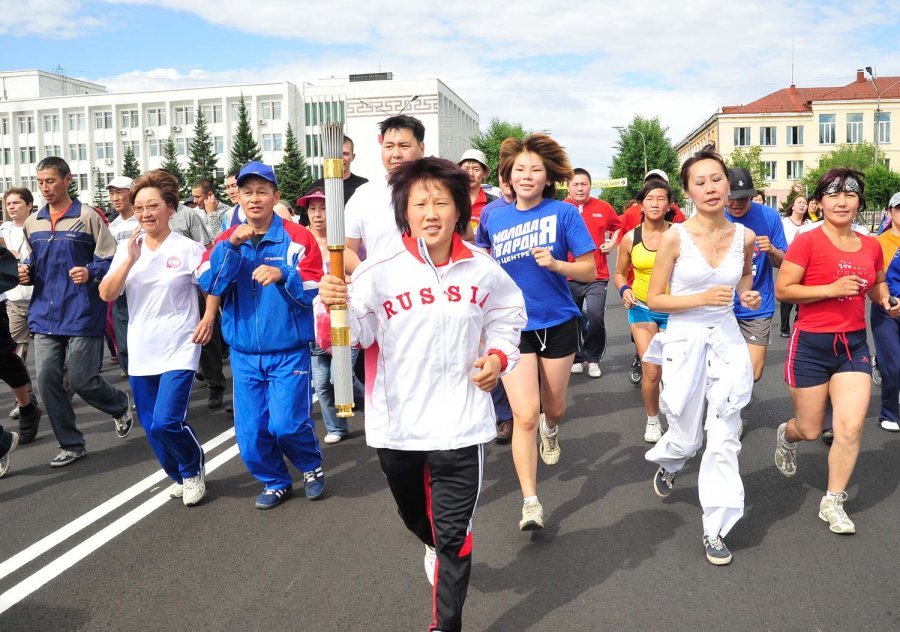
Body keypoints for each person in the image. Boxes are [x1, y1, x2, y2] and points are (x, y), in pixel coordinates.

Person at [317, 157, 526, 632]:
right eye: (419, 204)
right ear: (404, 213)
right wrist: (334, 308)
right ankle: (429, 540)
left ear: (459, 210)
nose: (431, 213)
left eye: (441, 202)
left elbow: (508, 316)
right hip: (400, 426)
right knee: (417, 518)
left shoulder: (483, 269)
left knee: (454, 535)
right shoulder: (379, 272)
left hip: (461, 424)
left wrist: (496, 358)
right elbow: (354, 337)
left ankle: (445, 624)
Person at [644, 145, 760, 566]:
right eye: (700, 182)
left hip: (726, 339)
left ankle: (716, 527)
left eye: (716, 179)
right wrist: (700, 298)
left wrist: (746, 295)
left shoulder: (745, 238)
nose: (710, 188)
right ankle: (673, 461)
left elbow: (743, 280)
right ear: (688, 191)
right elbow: (655, 298)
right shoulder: (674, 237)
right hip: (685, 339)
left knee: (725, 432)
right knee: (687, 431)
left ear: (727, 184)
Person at [774, 168, 899, 535]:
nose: (842, 202)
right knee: (810, 428)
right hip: (811, 345)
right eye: (833, 195)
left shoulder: (870, 245)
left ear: (859, 202)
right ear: (820, 202)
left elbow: (876, 283)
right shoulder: (808, 242)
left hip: (853, 345)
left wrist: (885, 298)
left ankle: (833, 501)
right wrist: (830, 289)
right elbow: (784, 289)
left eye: (850, 195)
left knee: (850, 426)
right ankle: (787, 436)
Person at [481, 134, 596, 531]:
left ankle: (552, 428)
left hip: (558, 321)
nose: (527, 176)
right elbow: (480, 263)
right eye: (519, 170)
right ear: (508, 176)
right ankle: (530, 501)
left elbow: (589, 269)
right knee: (525, 415)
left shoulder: (564, 214)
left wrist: (557, 265)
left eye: (535, 170)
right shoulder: (492, 218)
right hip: (512, 328)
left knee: (554, 408)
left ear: (548, 178)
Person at [197, 161, 326, 509]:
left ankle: (310, 466)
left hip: (288, 349)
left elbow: (315, 285)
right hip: (244, 353)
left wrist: (284, 275)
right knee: (251, 432)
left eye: (262, 192)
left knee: (287, 425)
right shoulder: (226, 239)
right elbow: (209, 281)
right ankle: (275, 480)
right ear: (238, 197)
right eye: (247, 192)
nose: (254, 199)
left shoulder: (297, 237)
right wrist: (231, 247)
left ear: (275, 196)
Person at [99, 170, 210, 506]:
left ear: (170, 208)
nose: (145, 213)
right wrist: (130, 260)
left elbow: (210, 287)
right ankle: (178, 474)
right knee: (150, 426)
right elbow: (107, 293)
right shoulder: (126, 248)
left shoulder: (189, 248)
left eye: (153, 206)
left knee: (166, 422)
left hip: (180, 345)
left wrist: (208, 317)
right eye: (139, 207)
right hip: (141, 348)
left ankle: (192, 468)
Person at [18, 157, 134, 466]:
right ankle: (71, 444)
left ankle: (119, 404)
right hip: (44, 314)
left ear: (67, 179)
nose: (45, 188)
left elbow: (111, 259)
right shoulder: (33, 222)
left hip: (82, 310)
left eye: (51, 181)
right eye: (40, 182)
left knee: (83, 379)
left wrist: (90, 271)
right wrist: (26, 272)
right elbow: (33, 261)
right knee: (46, 383)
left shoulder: (87, 216)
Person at [298, 187, 362, 444]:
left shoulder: (343, 244)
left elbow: (362, 275)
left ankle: (373, 401)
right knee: (323, 382)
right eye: (312, 209)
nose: (318, 214)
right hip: (315, 324)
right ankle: (336, 427)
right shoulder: (300, 241)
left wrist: (346, 281)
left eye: (324, 208)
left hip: (343, 321)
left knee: (340, 376)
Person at [614, 179, 673, 443]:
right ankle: (652, 420)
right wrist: (624, 289)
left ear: (669, 204)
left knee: (673, 371)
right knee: (651, 370)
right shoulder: (631, 238)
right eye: (650, 199)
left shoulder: (679, 235)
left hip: (674, 309)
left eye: (661, 198)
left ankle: (676, 415)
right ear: (641, 204)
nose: (655, 203)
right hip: (642, 308)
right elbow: (618, 273)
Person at [725, 167, 787, 384]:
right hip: (721, 305)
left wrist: (772, 250)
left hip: (757, 304)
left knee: (754, 372)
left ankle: (736, 394)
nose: (736, 204)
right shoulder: (714, 218)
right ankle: (730, 400)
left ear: (751, 195)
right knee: (722, 369)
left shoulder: (769, 217)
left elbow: (784, 262)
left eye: (742, 198)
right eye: (731, 198)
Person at [345, 115, 426, 266]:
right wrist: (368, 274)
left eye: (404, 146)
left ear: (421, 149)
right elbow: (346, 250)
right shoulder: (364, 195)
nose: (396, 154)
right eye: (389, 146)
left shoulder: (439, 191)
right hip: (379, 280)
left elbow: (464, 238)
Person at [473, 172, 516, 443]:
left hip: (528, 299)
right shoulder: (491, 212)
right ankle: (505, 416)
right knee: (492, 352)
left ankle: (535, 408)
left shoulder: (541, 209)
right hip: (490, 295)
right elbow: (482, 247)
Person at [565, 167, 620, 378]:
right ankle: (577, 358)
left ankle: (593, 358)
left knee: (595, 315)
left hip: (597, 274)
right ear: (568, 186)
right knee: (572, 320)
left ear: (590, 185)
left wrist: (611, 244)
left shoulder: (603, 207)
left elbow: (618, 226)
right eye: (575, 184)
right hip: (569, 274)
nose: (580, 188)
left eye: (584, 184)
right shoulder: (560, 209)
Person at [2, 188, 38, 423]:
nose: (12, 207)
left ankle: (61, 388)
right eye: (9, 203)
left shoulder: (38, 226)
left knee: (50, 351)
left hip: (39, 297)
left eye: (17, 203)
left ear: (29, 205)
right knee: (17, 352)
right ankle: (26, 399)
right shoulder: (3, 231)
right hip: (14, 300)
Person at [872, 192, 900, 433]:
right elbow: (872, 280)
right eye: (899, 208)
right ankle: (889, 413)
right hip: (886, 312)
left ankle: (879, 360)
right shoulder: (879, 243)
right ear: (889, 212)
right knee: (894, 365)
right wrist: (887, 301)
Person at [106, 176, 137, 376]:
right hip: (121, 292)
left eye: (119, 192)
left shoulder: (143, 220)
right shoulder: (113, 226)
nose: (115, 198)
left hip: (144, 290)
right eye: (112, 193)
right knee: (124, 345)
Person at [779, 194, 811, 337]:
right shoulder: (784, 223)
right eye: (799, 202)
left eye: (804, 203)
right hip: (788, 263)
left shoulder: (809, 224)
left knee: (802, 297)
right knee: (787, 298)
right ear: (792, 206)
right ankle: (784, 327)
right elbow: (779, 242)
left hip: (806, 266)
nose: (802, 205)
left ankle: (798, 325)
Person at [306, 135, 369, 204]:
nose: (341, 158)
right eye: (336, 154)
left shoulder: (363, 185)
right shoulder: (315, 188)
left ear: (353, 157)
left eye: (345, 154)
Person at [457, 148, 496, 229]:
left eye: (476, 169)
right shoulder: (453, 201)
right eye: (466, 169)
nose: (470, 174)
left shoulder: (494, 203)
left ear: (484, 174)